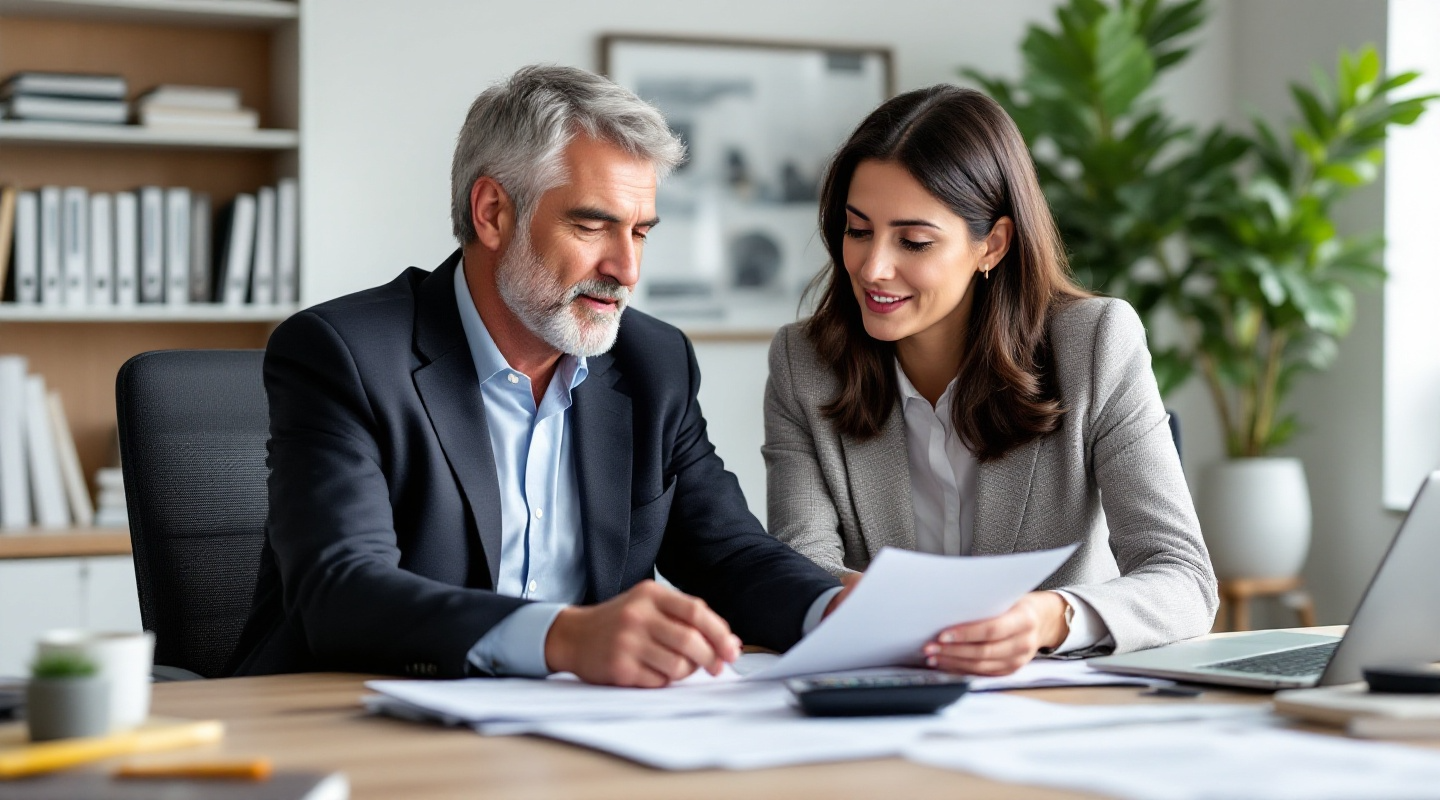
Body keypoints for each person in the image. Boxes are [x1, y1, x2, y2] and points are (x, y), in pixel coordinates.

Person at [227, 65, 841, 686]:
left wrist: (835, 612)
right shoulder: (346, 354)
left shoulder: (654, 363)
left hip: (584, 728)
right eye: (592, 225)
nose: (626, 269)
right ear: (493, 212)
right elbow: (342, 592)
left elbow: (729, 555)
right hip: (358, 718)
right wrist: (563, 636)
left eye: (640, 233)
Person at [763, 85, 1217, 676]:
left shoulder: (1095, 343)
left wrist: (1046, 618)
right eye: (857, 230)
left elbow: (1182, 576)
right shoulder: (804, 364)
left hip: (1052, 705)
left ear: (992, 244)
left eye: (914, 241)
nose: (872, 267)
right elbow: (800, 569)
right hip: (886, 700)